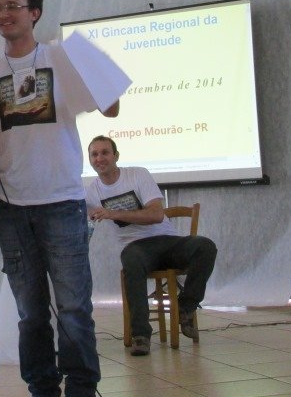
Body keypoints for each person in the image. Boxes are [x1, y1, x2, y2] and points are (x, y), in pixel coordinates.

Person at [0, 0, 119, 397]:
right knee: (30, 312)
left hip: (63, 202)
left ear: (35, 13)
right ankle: (43, 396)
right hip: (13, 207)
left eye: (14, 5)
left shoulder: (59, 58)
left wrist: (96, 67)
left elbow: (112, 107)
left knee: (73, 307)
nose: (4, 14)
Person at [84, 135, 217, 356]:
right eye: (94, 154)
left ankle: (185, 308)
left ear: (116, 156)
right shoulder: (91, 192)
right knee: (131, 259)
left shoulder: (137, 174)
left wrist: (113, 213)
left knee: (205, 246)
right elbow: (82, 222)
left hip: (167, 241)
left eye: (105, 152)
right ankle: (141, 335)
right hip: (136, 248)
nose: (99, 158)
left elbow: (156, 215)